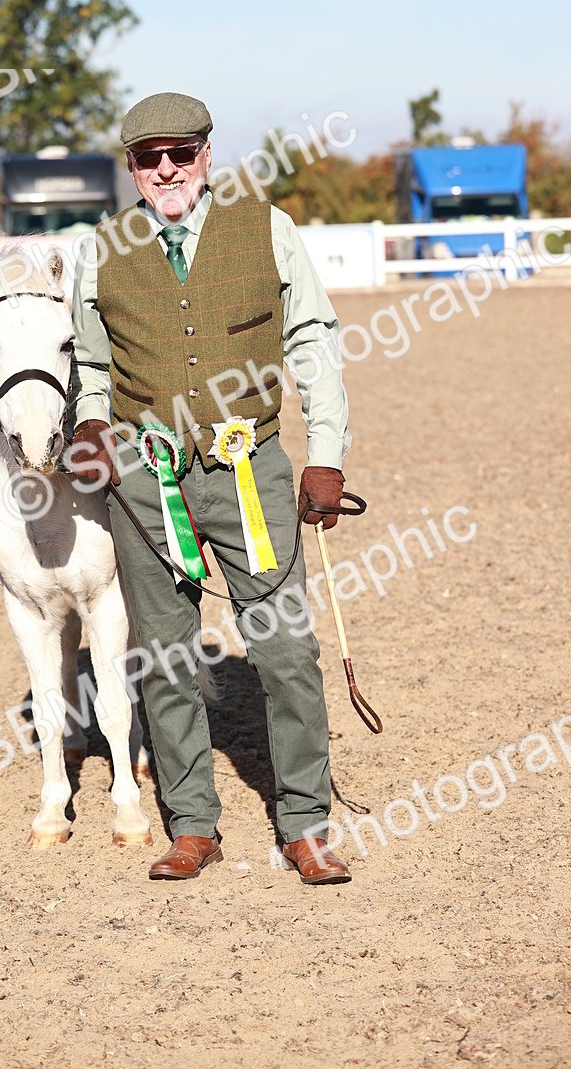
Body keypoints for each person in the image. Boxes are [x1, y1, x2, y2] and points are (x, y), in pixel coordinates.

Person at [68, 91, 352, 884]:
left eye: (180, 154)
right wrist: (90, 422)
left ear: (206, 155)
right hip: (143, 472)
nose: (166, 169)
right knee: (162, 655)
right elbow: (90, 366)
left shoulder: (267, 228)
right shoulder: (101, 249)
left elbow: (315, 344)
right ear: (130, 167)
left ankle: (305, 822)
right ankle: (192, 823)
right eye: (149, 157)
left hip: (249, 466)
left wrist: (325, 455)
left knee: (287, 647)